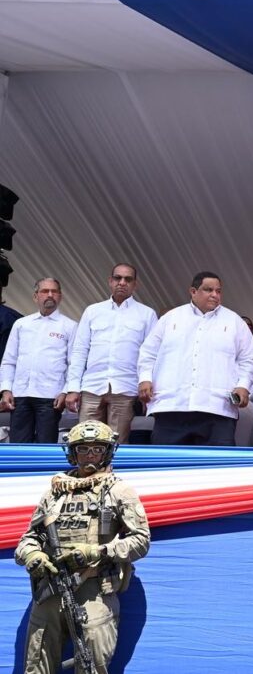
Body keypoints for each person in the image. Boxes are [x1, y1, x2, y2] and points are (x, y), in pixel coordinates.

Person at [14, 420, 150, 674]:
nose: (89, 456)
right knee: (36, 666)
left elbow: (141, 540)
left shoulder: (118, 491)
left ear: (107, 452)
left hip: (94, 590)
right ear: (72, 453)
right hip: (50, 590)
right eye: (83, 450)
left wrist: (97, 552)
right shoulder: (54, 493)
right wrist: (33, 555)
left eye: (97, 449)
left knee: (92, 665)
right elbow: (28, 538)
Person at [137, 271, 253, 446]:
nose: (215, 295)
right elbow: (148, 353)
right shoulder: (170, 319)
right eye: (208, 290)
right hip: (172, 406)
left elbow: (248, 359)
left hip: (217, 408)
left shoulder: (234, 322)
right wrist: (145, 379)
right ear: (193, 291)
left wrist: (243, 385)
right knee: (168, 466)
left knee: (216, 467)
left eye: (218, 291)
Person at [64, 263, 158, 443]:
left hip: (126, 386)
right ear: (110, 281)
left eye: (128, 279)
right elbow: (80, 350)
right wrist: (73, 388)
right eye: (118, 278)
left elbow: (151, 354)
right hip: (92, 385)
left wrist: (146, 386)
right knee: (85, 441)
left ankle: (111, 472)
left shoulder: (147, 314)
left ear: (135, 284)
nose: (122, 283)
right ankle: (87, 472)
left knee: (116, 444)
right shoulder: (93, 311)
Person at [0, 277, 77, 443]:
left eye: (54, 291)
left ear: (60, 296)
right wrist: (6, 390)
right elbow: (9, 360)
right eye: (44, 291)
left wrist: (66, 391)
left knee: (45, 445)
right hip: (20, 394)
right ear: (35, 296)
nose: (49, 295)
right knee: (18, 446)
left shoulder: (69, 326)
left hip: (50, 397)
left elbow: (73, 363)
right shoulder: (21, 324)